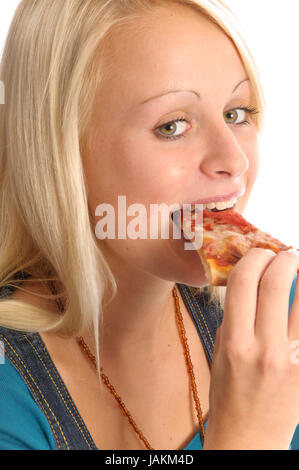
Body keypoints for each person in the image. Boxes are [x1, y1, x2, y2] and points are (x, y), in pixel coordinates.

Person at [0, 0, 298, 451]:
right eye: (173, 126)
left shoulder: (279, 317)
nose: (233, 161)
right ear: (58, 153)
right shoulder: (9, 403)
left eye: (236, 113)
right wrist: (247, 438)